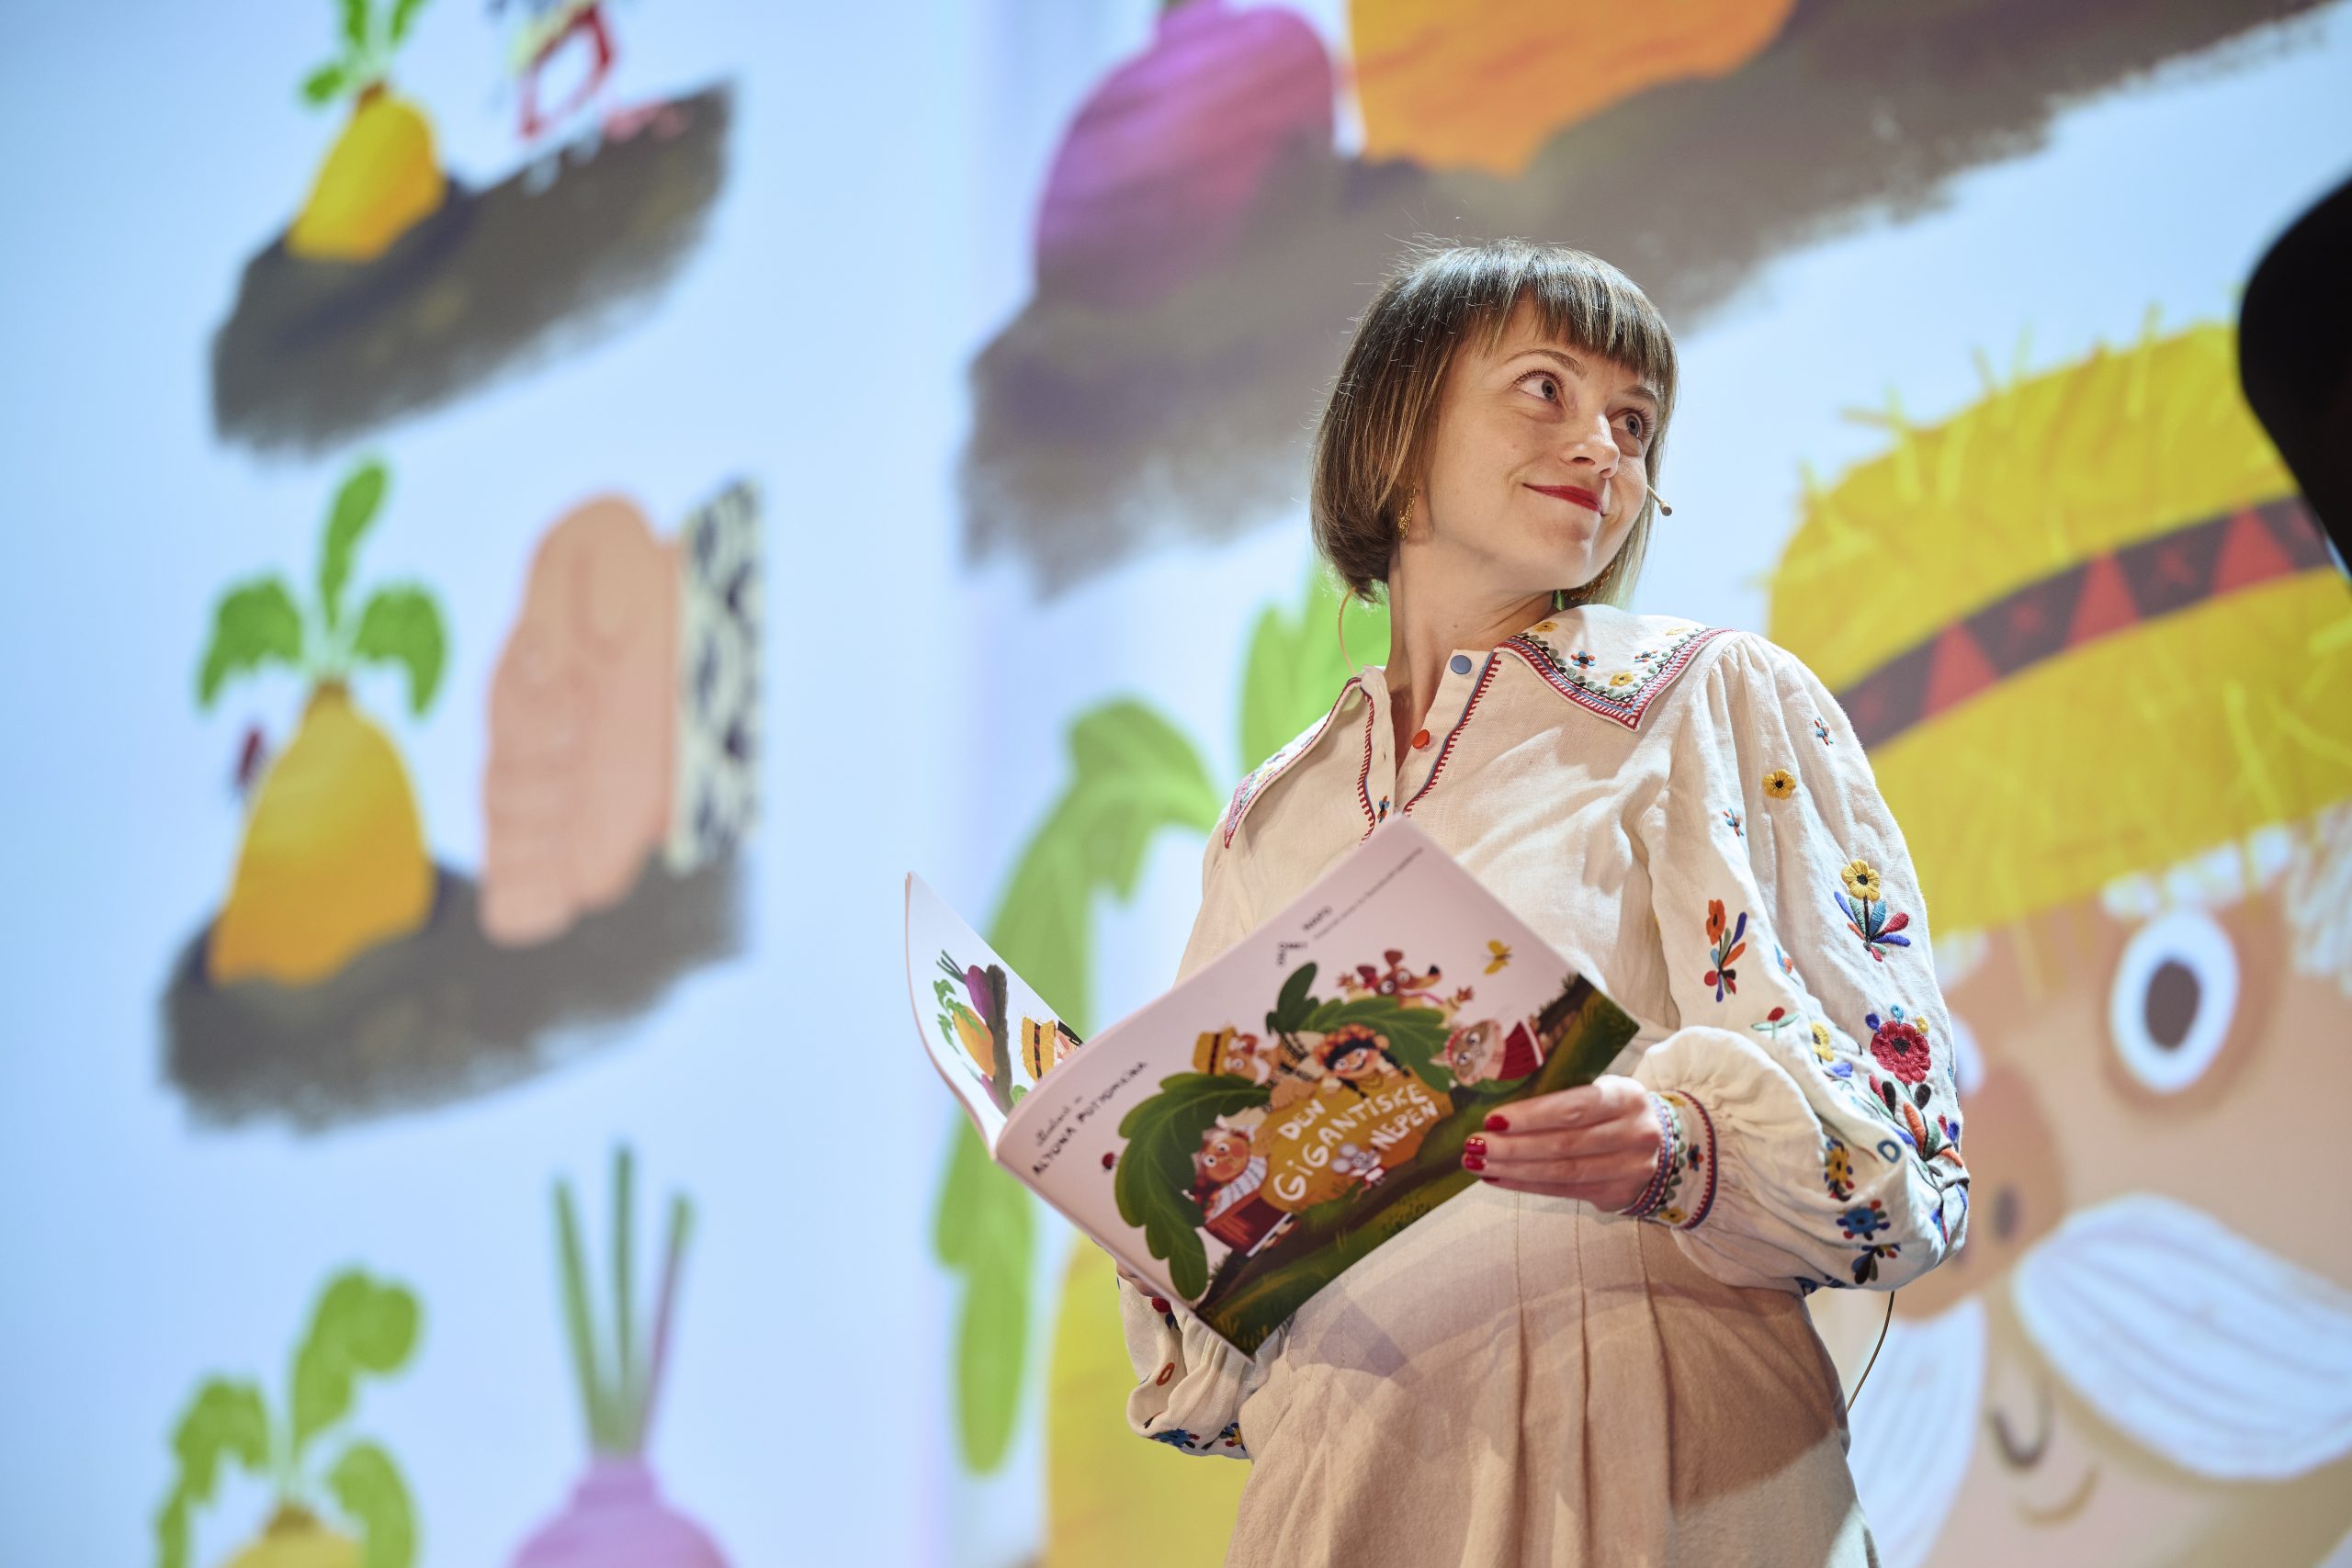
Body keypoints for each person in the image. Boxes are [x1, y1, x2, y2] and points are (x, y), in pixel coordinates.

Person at [1108, 239, 1972, 1564]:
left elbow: (1905, 1163)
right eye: (1546, 390)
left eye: (1637, 421)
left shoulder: (1708, 699)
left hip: (1651, 1454)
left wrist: (1680, 1145)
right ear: (1394, 425)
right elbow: (1215, 1326)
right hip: (1346, 1494)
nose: (1607, 449)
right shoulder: (1270, 818)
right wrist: (1157, 1203)